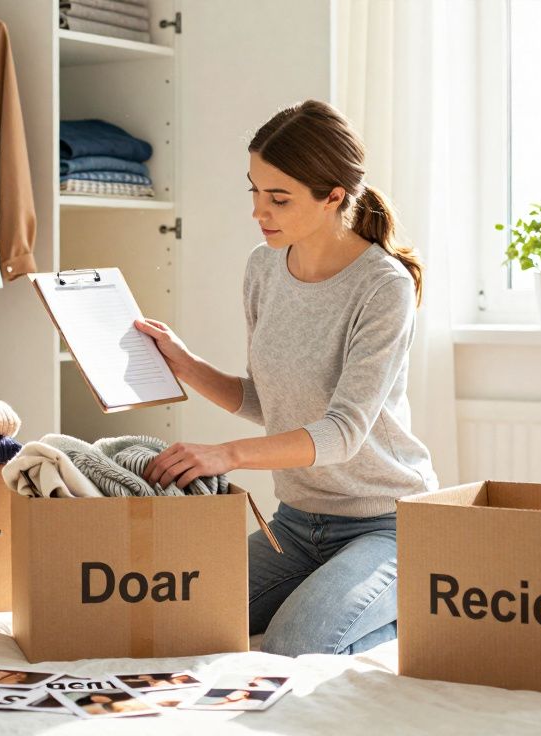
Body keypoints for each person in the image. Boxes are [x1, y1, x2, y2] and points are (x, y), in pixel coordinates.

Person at [137, 99, 437, 656]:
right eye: (254, 190)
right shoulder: (263, 267)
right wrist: (185, 364)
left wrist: (226, 455)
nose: (259, 211)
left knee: (293, 646)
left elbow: (342, 432)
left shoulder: (383, 286)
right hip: (296, 526)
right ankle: (331, 592)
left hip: (385, 525)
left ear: (333, 198)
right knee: (172, 619)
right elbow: (270, 402)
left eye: (279, 198)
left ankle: (420, 604)